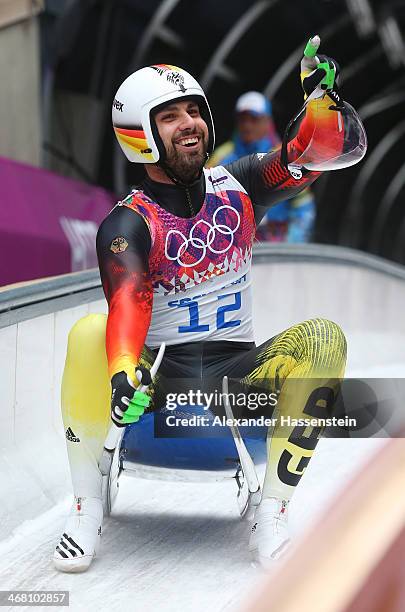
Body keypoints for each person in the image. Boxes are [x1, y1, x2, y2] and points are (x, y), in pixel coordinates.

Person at [53, 38, 365, 572]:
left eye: (195, 110)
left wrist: (319, 102)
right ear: (140, 135)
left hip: (237, 383)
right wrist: (125, 372)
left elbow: (314, 156)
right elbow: (128, 301)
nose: (190, 122)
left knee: (324, 337)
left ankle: (274, 511)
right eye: (171, 116)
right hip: (158, 386)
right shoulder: (128, 223)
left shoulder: (240, 185)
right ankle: (85, 505)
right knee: (87, 331)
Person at [208, 90, 316, 243]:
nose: (247, 125)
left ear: (267, 122)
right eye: (242, 119)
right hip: (232, 244)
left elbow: (304, 207)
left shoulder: (285, 156)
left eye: (254, 119)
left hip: (276, 245)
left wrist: (291, 245)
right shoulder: (221, 157)